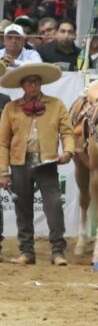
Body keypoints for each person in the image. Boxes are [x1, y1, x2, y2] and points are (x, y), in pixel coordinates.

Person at [0, 63, 74, 266]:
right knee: (22, 208)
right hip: (19, 163)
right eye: (29, 82)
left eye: (36, 81)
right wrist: (3, 172)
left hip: (47, 163)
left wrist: (68, 151)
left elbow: (67, 131)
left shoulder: (56, 104)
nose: (33, 85)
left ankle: (58, 251)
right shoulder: (11, 108)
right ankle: (27, 252)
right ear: (22, 85)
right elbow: (3, 142)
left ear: (41, 84)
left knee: (55, 205)